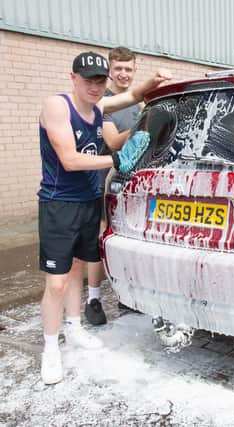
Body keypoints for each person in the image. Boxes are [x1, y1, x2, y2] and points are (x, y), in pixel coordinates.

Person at [38, 50, 171, 385]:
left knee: (79, 268)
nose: (95, 87)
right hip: (59, 203)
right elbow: (69, 159)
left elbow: (132, 96)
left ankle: (74, 327)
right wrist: (117, 159)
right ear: (73, 78)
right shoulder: (58, 106)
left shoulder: (97, 107)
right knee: (56, 281)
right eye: (88, 80)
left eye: (99, 81)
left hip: (88, 200)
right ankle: (50, 348)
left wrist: (154, 82)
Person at [85, 46, 140, 325]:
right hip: (101, 182)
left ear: (134, 71)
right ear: (110, 71)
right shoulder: (102, 103)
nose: (123, 74)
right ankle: (93, 300)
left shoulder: (136, 104)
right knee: (102, 238)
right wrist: (145, 123)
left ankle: (125, 294)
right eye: (118, 68)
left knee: (126, 240)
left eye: (128, 69)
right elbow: (115, 142)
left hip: (128, 184)